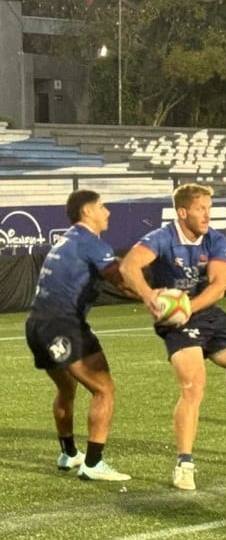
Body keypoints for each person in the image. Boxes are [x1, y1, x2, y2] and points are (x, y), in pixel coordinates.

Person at [119, 183, 226, 491]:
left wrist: (188, 306)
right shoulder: (162, 238)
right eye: (201, 209)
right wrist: (148, 296)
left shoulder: (215, 239)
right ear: (182, 211)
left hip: (207, 312)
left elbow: (217, 284)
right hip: (176, 323)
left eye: (209, 209)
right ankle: (184, 463)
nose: (207, 215)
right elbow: (129, 266)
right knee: (193, 387)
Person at [25, 189, 131, 482]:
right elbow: (121, 280)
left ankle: (69, 454)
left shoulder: (69, 240)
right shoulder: (88, 241)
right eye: (102, 206)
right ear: (87, 212)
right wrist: (154, 298)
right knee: (104, 389)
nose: (107, 211)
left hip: (36, 325)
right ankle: (93, 463)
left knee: (67, 388)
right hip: (64, 325)